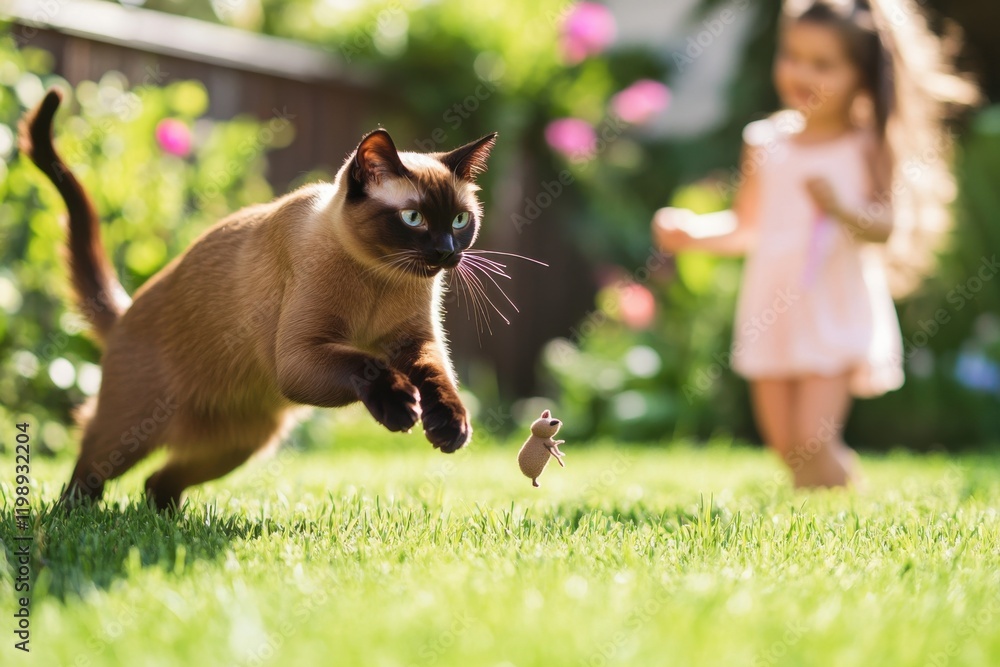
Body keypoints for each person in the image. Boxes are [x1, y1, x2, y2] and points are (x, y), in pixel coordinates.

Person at [653, 0, 977, 487]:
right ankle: (832, 497)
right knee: (787, 447)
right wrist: (692, 233)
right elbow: (748, 226)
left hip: (833, 308)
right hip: (772, 308)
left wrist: (841, 209)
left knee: (811, 439)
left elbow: (887, 226)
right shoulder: (765, 141)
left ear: (859, 74)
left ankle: (843, 504)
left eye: (823, 64)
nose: (802, 73)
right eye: (793, 56)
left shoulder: (866, 143)